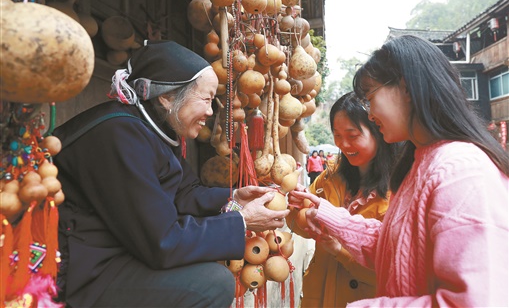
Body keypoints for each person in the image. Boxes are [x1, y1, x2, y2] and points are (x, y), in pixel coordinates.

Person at [53, 40, 289, 307]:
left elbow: (183, 192)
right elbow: (162, 241)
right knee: (212, 284)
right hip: (84, 270)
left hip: (121, 247)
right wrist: (241, 222)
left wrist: (234, 198)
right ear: (166, 97)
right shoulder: (120, 135)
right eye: (207, 99)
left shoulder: (153, 128)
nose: (211, 112)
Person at [289, 35, 509, 307]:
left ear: (405, 87)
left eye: (371, 97)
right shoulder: (421, 164)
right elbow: (397, 248)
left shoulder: (462, 172)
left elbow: (475, 301)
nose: (370, 114)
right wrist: (328, 214)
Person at [288, 92, 400, 307]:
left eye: (352, 135)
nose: (343, 144)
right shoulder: (331, 175)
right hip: (319, 293)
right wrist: (301, 213)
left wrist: (340, 252)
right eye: (337, 135)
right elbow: (296, 223)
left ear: (378, 132)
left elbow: (390, 271)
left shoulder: (397, 190)